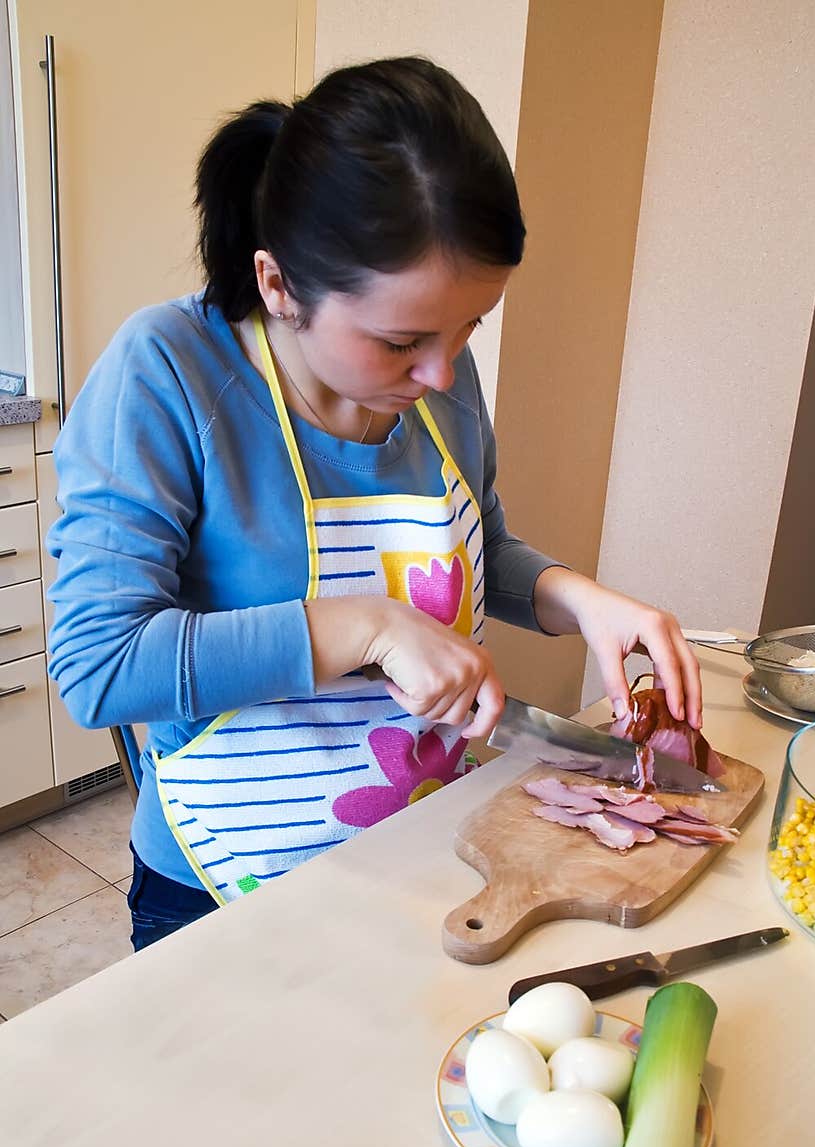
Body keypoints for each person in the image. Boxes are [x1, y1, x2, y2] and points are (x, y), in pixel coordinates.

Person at [46, 57, 701, 951]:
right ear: (279, 285)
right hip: (228, 889)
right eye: (401, 342)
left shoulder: (436, 371)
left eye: (472, 326)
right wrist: (366, 626)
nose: (441, 370)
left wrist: (575, 595)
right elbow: (100, 664)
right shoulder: (168, 373)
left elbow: (478, 549)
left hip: (426, 841)